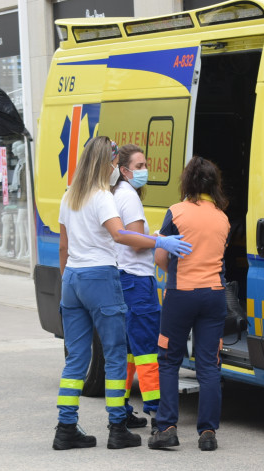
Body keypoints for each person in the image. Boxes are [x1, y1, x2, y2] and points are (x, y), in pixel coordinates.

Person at [53, 136, 191, 451]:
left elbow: (63, 246)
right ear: (107, 163)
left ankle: (65, 427)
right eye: (115, 163)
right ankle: (117, 427)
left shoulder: (68, 197)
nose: (116, 168)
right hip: (100, 277)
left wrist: (67, 283)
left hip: (72, 278)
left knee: (76, 359)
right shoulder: (102, 196)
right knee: (116, 355)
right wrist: (160, 242)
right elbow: (120, 234)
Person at [149, 156, 231, 452]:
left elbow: (161, 257)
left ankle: (167, 427)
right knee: (209, 364)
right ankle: (208, 432)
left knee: (169, 359)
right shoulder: (222, 217)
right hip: (213, 296)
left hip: (181, 295)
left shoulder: (177, 212)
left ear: (188, 182)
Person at [111, 143, 161, 431]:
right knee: (147, 348)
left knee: (128, 350)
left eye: (144, 165)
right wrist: (158, 239)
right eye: (139, 166)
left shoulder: (116, 194)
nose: (144, 170)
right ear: (124, 170)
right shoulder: (129, 197)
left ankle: (122, 409)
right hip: (137, 279)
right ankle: (157, 412)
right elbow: (136, 239)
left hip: (122, 277)